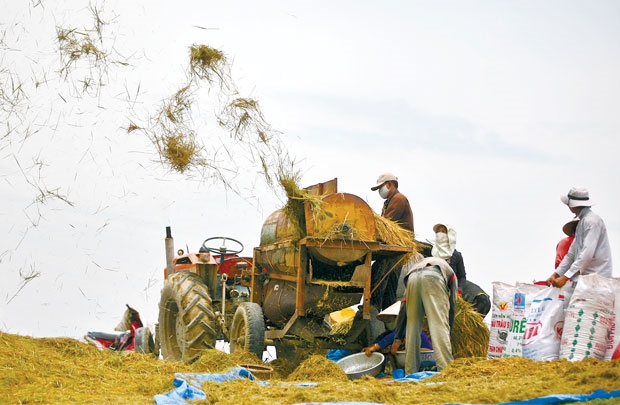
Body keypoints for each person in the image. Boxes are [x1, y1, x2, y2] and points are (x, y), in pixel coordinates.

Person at [368, 172, 415, 341]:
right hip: (393, 248)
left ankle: (373, 309)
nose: (380, 191)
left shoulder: (398, 199)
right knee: (390, 288)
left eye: (380, 188)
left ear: (389, 184)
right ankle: (388, 325)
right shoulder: (389, 201)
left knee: (379, 275)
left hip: (397, 249)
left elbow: (386, 224)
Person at [392, 256, 457, 374]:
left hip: (412, 278)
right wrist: (449, 332)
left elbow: (403, 308)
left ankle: (410, 372)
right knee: (438, 325)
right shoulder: (450, 272)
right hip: (434, 277)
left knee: (412, 328)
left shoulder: (418, 265)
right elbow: (451, 307)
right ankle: (446, 372)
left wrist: (398, 337)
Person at [546, 187, 613, 288]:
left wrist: (564, 277)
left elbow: (587, 253)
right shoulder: (582, 222)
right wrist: (556, 274)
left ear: (571, 205)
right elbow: (571, 254)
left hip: (597, 278)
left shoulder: (592, 221)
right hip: (586, 279)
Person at [430, 223, 466, 294]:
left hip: (450, 287)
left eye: (443, 231)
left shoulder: (456, 255)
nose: (440, 234)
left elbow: (462, 276)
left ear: (450, 235)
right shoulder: (430, 250)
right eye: (438, 232)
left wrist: (459, 289)